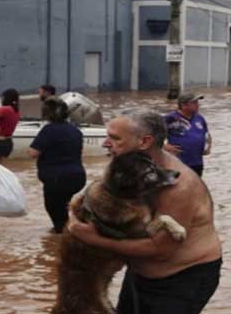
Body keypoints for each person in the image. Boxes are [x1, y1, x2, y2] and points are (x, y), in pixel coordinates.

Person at [68, 108, 222, 314]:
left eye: (114, 138)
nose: (106, 143)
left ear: (144, 142)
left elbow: (161, 249)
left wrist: (93, 239)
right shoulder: (126, 165)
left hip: (182, 279)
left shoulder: (178, 187)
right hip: (139, 274)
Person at [26, 97, 85, 233]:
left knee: (54, 209)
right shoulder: (75, 130)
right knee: (63, 207)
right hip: (77, 177)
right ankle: (67, 232)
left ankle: (63, 239)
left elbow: (33, 153)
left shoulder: (49, 130)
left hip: (57, 178)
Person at [163, 93, 212, 177]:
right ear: (183, 105)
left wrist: (208, 147)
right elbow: (151, 136)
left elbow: (207, 134)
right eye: (194, 103)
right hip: (177, 163)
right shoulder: (169, 119)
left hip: (197, 162)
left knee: (196, 187)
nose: (198, 105)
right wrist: (164, 147)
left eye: (197, 102)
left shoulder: (199, 118)